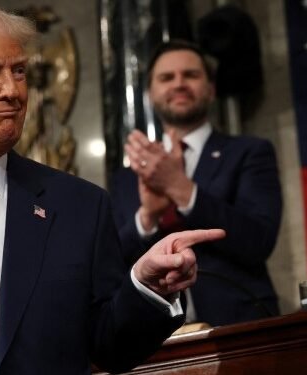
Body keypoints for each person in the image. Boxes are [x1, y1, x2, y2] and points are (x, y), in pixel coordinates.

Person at [0, 1, 225, 374]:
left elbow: (110, 348)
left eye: (19, 71)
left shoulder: (80, 206)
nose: (13, 91)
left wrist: (147, 288)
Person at [110, 40, 282, 327]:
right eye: (166, 78)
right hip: (152, 336)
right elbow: (112, 263)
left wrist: (182, 189)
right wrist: (147, 216)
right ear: (151, 94)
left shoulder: (250, 152)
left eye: (190, 75)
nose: (179, 84)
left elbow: (258, 241)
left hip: (240, 326)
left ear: (211, 89)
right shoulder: (127, 177)